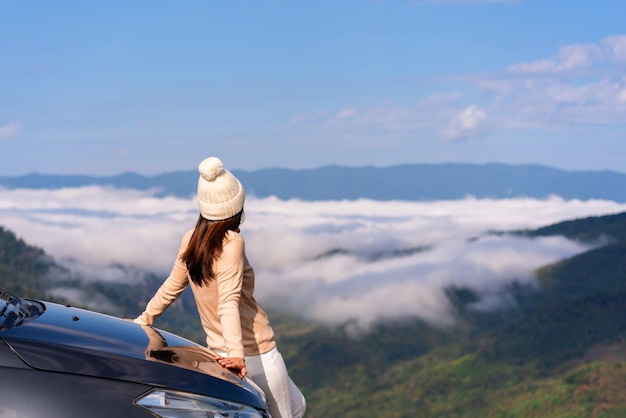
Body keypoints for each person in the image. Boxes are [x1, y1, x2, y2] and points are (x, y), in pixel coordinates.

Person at [134, 156, 306, 418]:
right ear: (236, 208)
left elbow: (172, 287)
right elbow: (229, 301)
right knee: (288, 413)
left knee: (297, 404)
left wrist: (142, 320)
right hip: (254, 353)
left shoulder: (191, 240)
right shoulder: (232, 243)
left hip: (216, 355)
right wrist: (238, 355)